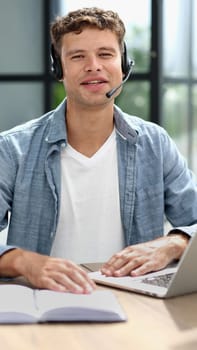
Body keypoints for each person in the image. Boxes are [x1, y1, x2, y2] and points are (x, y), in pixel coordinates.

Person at [0, 7, 197, 294]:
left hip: (137, 302)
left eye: (105, 54)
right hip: (42, 302)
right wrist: (24, 262)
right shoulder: (13, 148)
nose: (93, 65)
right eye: (77, 56)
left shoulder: (156, 143)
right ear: (59, 68)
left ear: (124, 65)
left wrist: (173, 242)